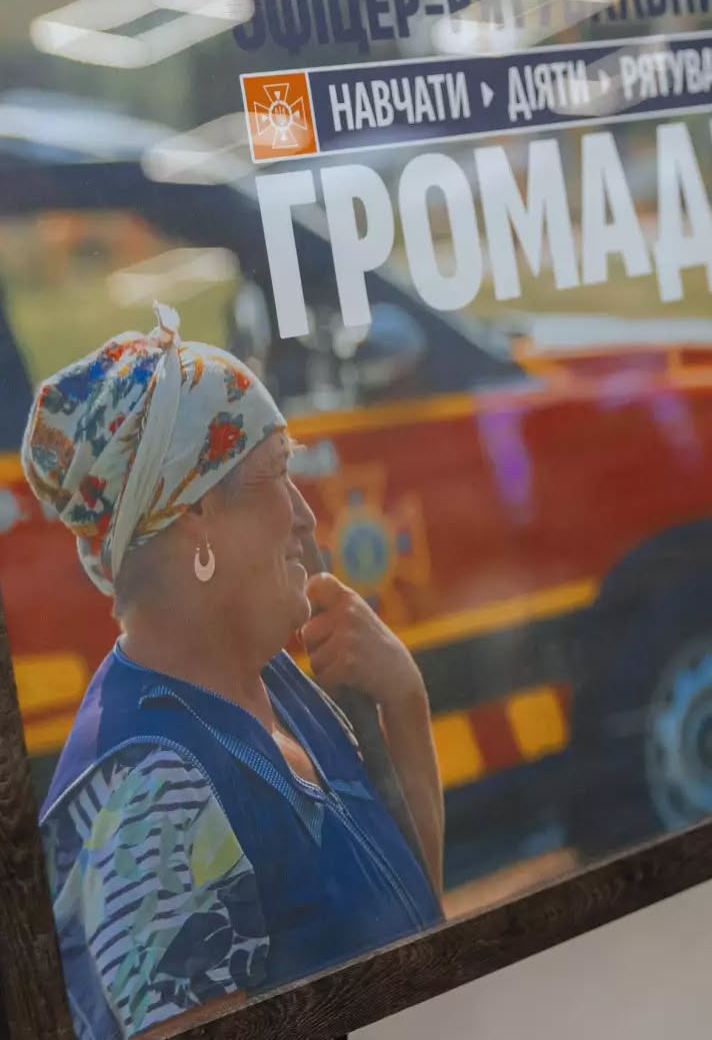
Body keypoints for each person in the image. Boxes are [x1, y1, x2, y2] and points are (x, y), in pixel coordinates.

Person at [22, 304, 444, 1039]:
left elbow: (421, 950)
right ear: (194, 513)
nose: (305, 516)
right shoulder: (153, 794)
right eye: (277, 473)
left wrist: (403, 703)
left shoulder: (270, 680)